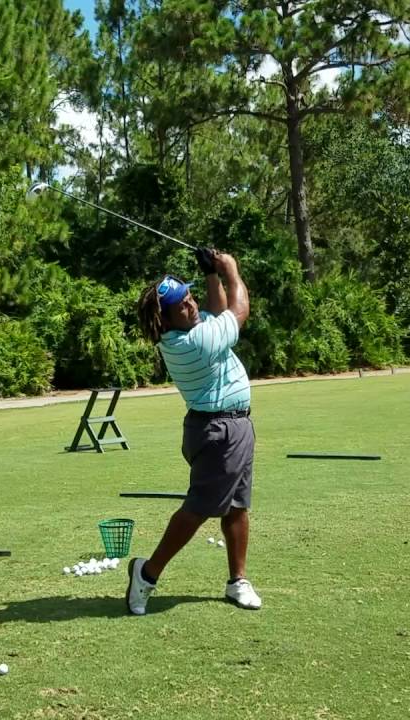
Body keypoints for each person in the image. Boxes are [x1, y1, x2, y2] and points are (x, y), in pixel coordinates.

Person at [127, 248, 261, 615]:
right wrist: (231, 271)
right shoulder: (190, 343)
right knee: (199, 509)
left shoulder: (194, 327)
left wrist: (210, 276)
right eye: (182, 305)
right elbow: (237, 313)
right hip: (218, 429)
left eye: (189, 297)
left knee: (236, 507)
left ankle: (238, 580)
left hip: (233, 425)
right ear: (166, 320)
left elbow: (217, 312)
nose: (190, 304)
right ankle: (147, 573)